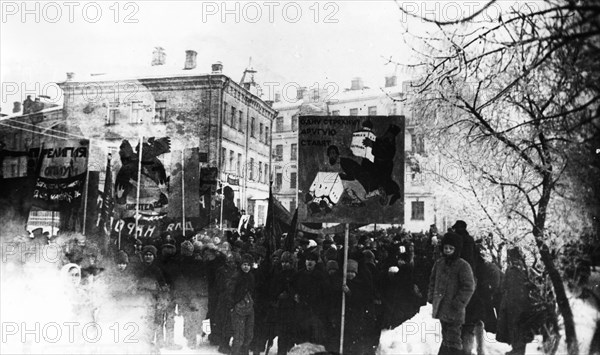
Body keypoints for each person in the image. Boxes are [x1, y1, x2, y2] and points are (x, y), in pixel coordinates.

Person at [428, 232, 476, 355]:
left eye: (451, 248)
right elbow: (433, 281)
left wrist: (458, 303)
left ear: (456, 249)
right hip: (441, 307)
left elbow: (469, 286)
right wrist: (431, 297)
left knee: (454, 339)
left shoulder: (463, 265)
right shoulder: (439, 263)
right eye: (446, 248)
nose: (448, 250)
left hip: (455, 310)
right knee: (446, 336)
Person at [496, 247, 534, 355]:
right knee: (520, 327)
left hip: (512, 304)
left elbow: (503, 286)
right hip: (522, 304)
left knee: (515, 327)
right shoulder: (526, 269)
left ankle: (517, 351)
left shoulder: (512, 270)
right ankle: (518, 350)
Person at [229, 253, 256, 355]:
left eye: (248, 265)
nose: (246, 267)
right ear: (240, 265)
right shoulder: (236, 277)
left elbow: (253, 291)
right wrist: (233, 305)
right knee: (239, 337)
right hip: (238, 308)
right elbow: (230, 292)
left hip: (249, 308)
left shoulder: (251, 277)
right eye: (244, 264)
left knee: (248, 336)